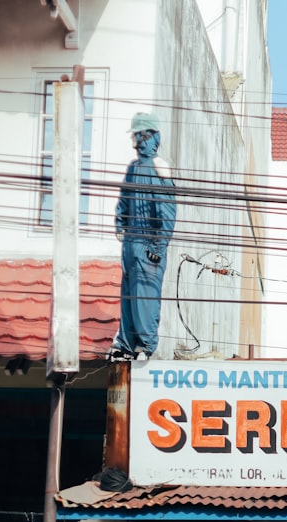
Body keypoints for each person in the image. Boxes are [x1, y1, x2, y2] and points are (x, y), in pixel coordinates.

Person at [108, 111, 177, 362]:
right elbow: (124, 200)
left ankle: (145, 344)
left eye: (140, 135)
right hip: (130, 244)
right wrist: (120, 223)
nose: (136, 141)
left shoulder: (159, 168)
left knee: (145, 295)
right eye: (136, 136)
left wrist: (157, 247)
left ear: (151, 136)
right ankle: (126, 343)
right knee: (128, 294)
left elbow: (166, 213)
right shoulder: (133, 168)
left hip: (148, 244)